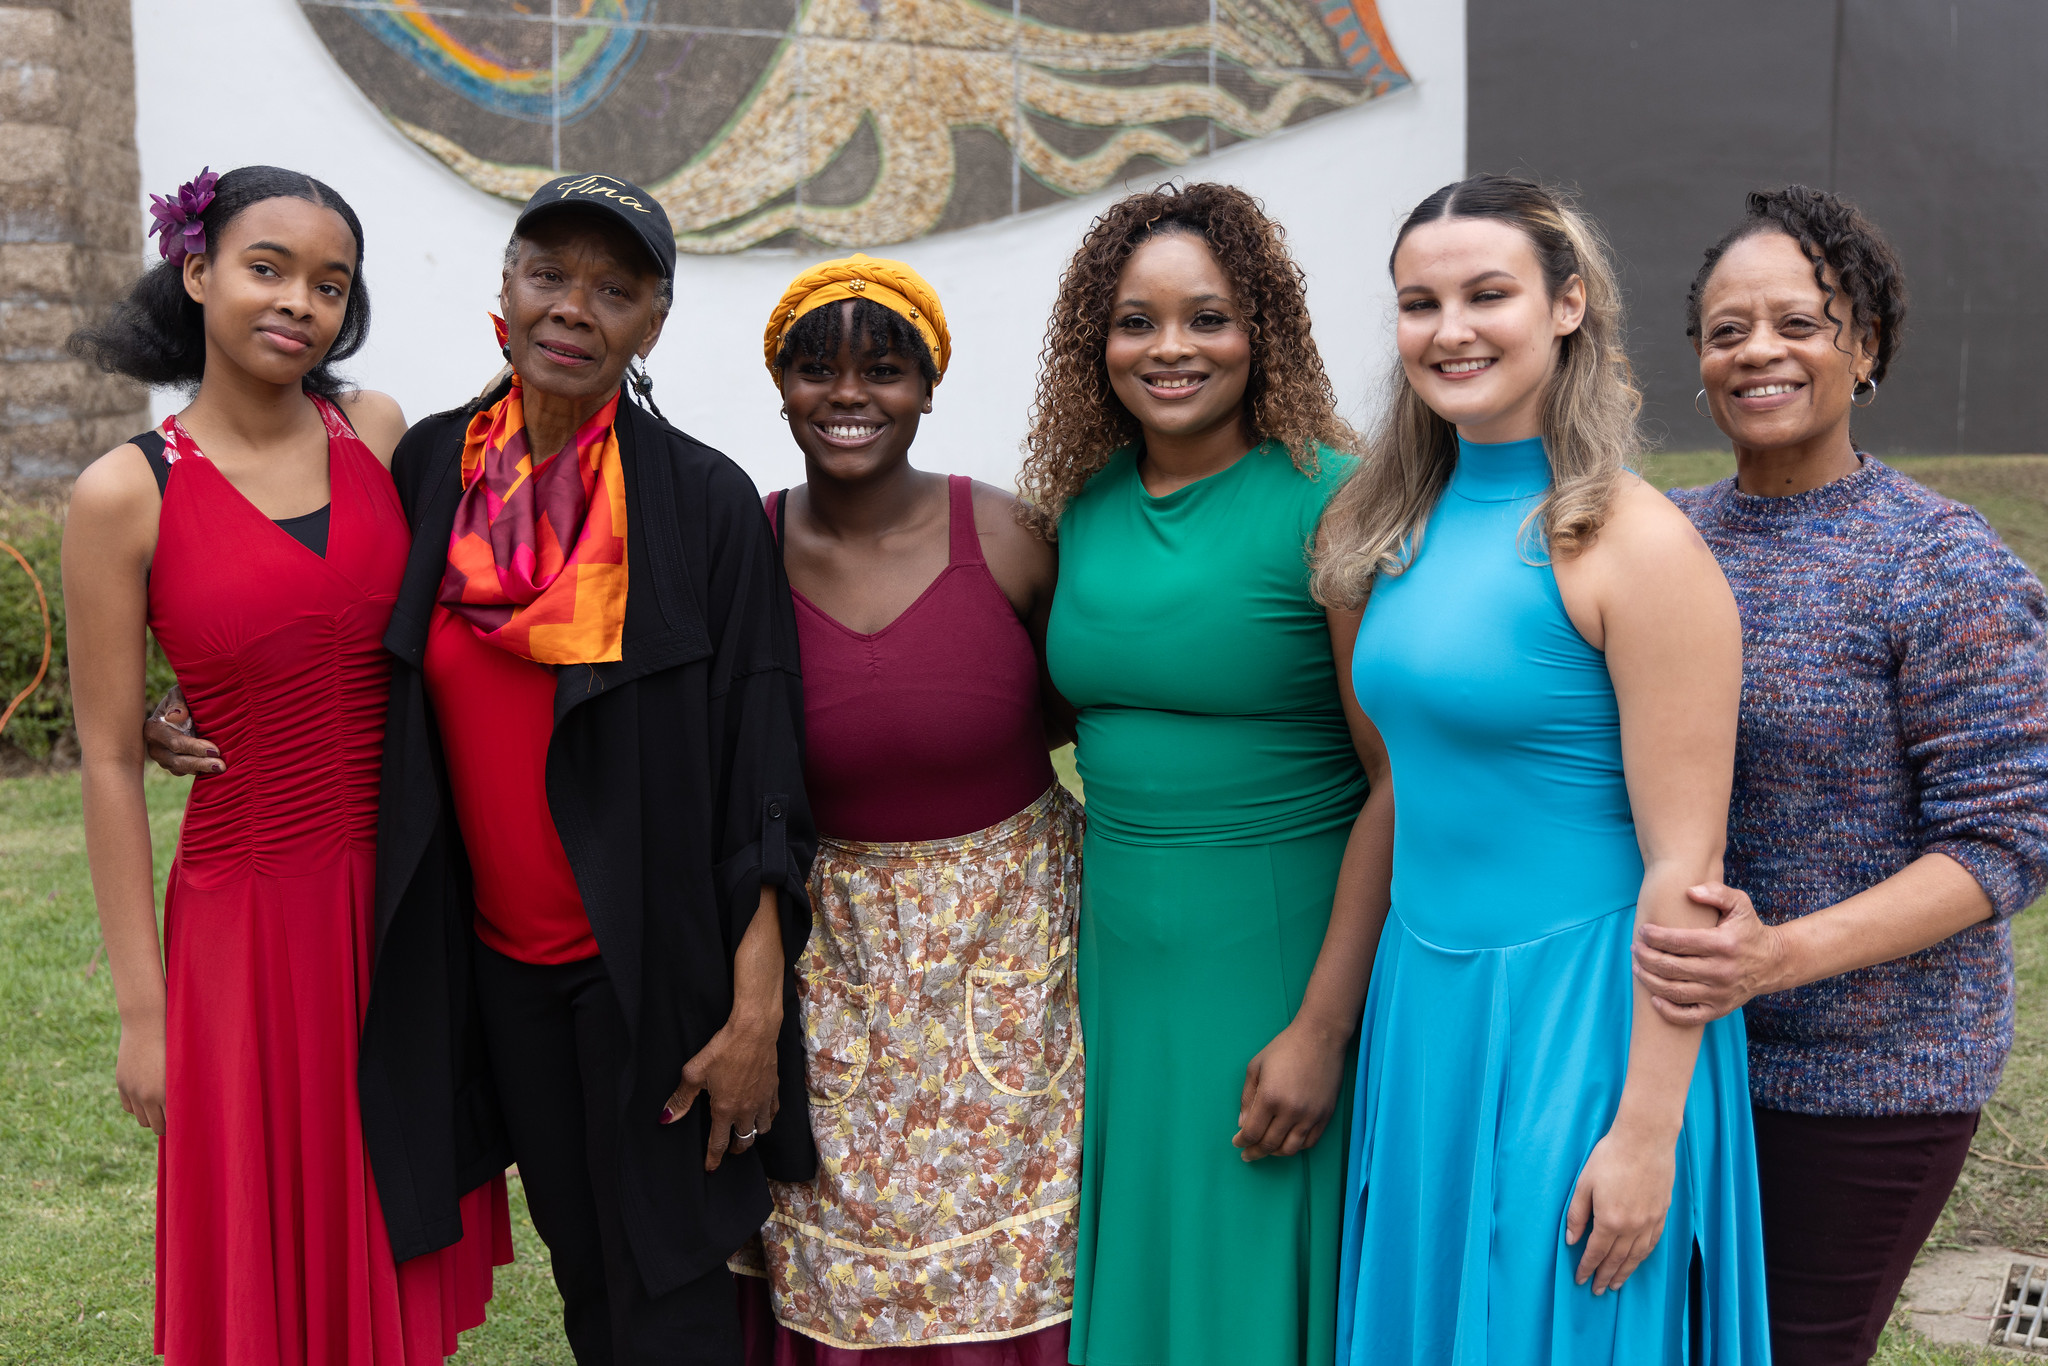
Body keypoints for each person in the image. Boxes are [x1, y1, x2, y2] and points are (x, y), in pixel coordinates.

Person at [150, 173, 821, 1364]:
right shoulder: (429, 473)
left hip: (653, 975)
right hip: (499, 967)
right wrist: (195, 695)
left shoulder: (701, 502)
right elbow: (333, 619)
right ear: (501, 296)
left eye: (614, 288)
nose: (575, 307)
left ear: (653, 322)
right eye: (548, 274)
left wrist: (754, 1000)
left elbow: (761, 754)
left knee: (672, 1282)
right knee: (579, 1263)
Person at [1315, 173, 1771, 1364]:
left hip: (1587, 1023)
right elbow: (1401, 785)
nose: (1448, 329)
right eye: (1418, 303)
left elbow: (1690, 866)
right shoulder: (1389, 525)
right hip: (1429, 1014)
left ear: (1566, 305)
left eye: (1486, 294)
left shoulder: (1634, 543)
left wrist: (1646, 1129)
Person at [65, 164, 509, 1363]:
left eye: (330, 284)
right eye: (268, 269)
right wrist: (143, 1015)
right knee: (272, 1240)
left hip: (404, 896)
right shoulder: (123, 494)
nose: (299, 303)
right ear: (199, 270)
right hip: (246, 924)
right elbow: (107, 759)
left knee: (393, 1207)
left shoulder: (373, 431)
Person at [1635, 185, 2048, 1366]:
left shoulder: (1938, 559)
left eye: (1798, 323)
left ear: (1862, 348)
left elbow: (2005, 838)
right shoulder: (1662, 536)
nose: (1757, 350)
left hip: (1868, 1076)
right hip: (1673, 1051)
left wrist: (1777, 956)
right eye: (1725, 331)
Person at [1023, 182, 1389, 1366]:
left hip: (1273, 954)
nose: (1168, 348)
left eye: (1207, 318)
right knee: (1143, 1267)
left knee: (1249, 1274)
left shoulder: (1332, 499)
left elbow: (1394, 780)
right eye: (1135, 321)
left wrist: (1321, 1031)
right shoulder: (1080, 506)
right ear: (1098, 342)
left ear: (1260, 331)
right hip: (1121, 963)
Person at [731, 255, 1080, 1364]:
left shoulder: (1014, 537)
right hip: (833, 963)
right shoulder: (743, 549)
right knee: (842, 1257)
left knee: (1027, 1257)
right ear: (778, 384)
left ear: (928, 387)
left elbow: (1108, 709)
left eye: (883, 368)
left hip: (1017, 962)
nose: (848, 394)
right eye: (815, 367)